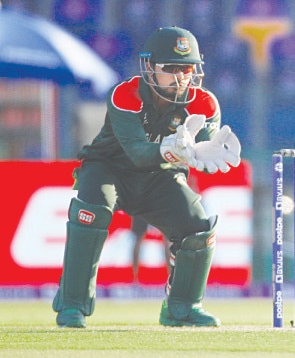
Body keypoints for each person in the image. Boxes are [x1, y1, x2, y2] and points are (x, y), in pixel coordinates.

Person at [53, 26, 242, 328]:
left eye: (187, 68)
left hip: (160, 176)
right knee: (92, 209)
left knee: (198, 227)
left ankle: (182, 308)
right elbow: (137, 151)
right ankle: (72, 304)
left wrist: (205, 150)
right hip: (110, 168)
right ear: (150, 67)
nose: (181, 76)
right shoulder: (125, 94)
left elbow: (206, 141)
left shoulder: (204, 102)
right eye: (171, 68)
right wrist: (170, 148)